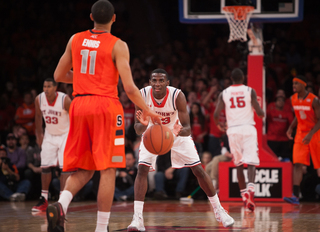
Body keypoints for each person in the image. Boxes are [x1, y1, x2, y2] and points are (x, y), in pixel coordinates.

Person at [46, 1, 161, 231]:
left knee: (85, 169)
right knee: (108, 169)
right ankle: (101, 228)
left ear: (91, 17)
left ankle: (60, 204)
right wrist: (148, 110)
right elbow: (129, 88)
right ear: (114, 19)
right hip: (105, 106)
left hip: (78, 105)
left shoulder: (75, 39)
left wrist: (82, 79)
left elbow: (58, 74)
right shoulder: (118, 45)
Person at [127, 68, 234, 231]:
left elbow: (188, 128)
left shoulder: (177, 96)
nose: (157, 83)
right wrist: (142, 124)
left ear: (167, 83)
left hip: (175, 132)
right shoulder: (141, 95)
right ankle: (137, 218)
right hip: (152, 134)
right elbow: (137, 129)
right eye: (154, 80)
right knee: (142, 170)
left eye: (161, 80)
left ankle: (219, 210)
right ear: (150, 82)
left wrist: (173, 132)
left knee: (198, 170)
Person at [214, 68, 265, 212]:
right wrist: (261, 113)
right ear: (243, 78)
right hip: (248, 128)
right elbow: (259, 112)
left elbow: (216, 114)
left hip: (233, 130)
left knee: (238, 164)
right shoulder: (250, 91)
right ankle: (251, 191)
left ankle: (244, 197)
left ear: (231, 79)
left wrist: (219, 125)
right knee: (251, 162)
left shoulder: (224, 93)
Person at [32, 78, 72, 212]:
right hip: (49, 134)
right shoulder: (39, 99)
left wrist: (74, 137)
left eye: (49, 86)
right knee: (45, 166)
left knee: (64, 168)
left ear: (55, 88)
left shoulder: (64, 99)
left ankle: (62, 201)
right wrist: (39, 135)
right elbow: (38, 117)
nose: (46, 89)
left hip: (65, 135)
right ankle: (44, 199)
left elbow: (75, 118)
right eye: (44, 86)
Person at [284, 75, 320, 205]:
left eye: (296, 84)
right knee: (298, 164)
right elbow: (298, 116)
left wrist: (311, 134)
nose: (293, 86)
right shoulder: (293, 99)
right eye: (293, 84)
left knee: (318, 165)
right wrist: (290, 127)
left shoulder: (314, 100)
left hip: (315, 133)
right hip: (300, 134)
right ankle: (295, 195)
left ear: (303, 85)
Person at [266, 95, 294, 161]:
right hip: (272, 139)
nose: (281, 102)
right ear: (275, 102)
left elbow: (292, 123)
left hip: (284, 140)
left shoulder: (287, 112)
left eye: (282, 101)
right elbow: (264, 117)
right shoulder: (271, 110)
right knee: (272, 158)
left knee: (285, 158)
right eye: (279, 100)